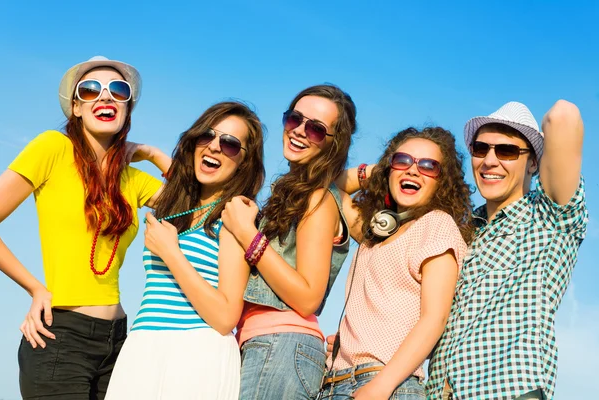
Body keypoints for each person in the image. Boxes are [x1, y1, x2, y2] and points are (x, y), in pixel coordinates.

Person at [0, 56, 170, 399]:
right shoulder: (53, 148)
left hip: (119, 343)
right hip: (60, 338)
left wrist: (152, 153)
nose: (105, 97)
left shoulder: (133, 179)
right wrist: (36, 288)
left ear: (127, 109)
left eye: (118, 91)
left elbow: (201, 204)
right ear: (76, 107)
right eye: (90, 90)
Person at [426, 101, 588, 400]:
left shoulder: (549, 218)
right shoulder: (460, 230)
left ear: (534, 163)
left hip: (506, 392)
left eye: (507, 151)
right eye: (481, 148)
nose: (489, 160)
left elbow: (563, 115)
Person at [105, 101, 265, 399]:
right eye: (207, 135)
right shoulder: (178, 208)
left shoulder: (232, 216)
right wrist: (151, 153)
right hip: (142, 346)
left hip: (196, 353)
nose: (215, 147)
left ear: (245, 161)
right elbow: (183, 177)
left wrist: (172, 254)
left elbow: (225, 317)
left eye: (230, 144)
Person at [221, 84, 357, 399]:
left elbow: (308, 296)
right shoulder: (296, 192)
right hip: (268, 345)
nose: (299, 131)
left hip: (280, 345)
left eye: (316, 129)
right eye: (294, 119)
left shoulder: (317, 199)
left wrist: (247, 235)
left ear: (333, 144)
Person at [320, 127, 472, 399]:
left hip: (387, 386)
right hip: (335, 383)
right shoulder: (374, 233)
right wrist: (377, 171)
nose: (413, 170)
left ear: (442, 181)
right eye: (402, 160)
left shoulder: (436, 225)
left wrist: (381, 386)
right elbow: (330, 186)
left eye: (428, 166)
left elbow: (434, 319)